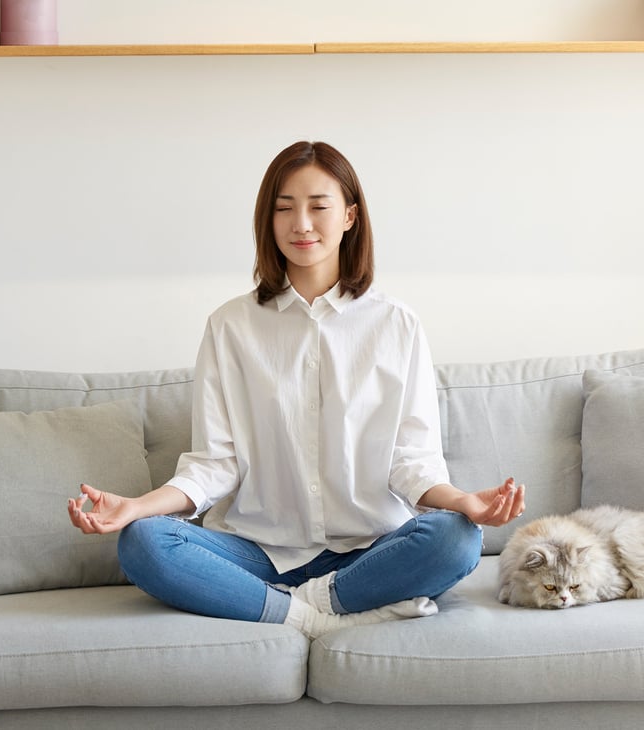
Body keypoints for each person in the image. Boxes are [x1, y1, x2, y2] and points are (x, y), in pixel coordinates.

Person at [67, 140, 526, 638]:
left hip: (369, 551)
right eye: (284, 208)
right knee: (143, 543)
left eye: (318, 207)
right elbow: (215, 463)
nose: (301, 224)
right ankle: (316, 616)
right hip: (257, 552)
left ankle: (291, 606)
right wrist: (136, 506)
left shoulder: (398, 325)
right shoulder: (230, 326)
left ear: (350, 216)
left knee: (457, 539)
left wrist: (464, 503)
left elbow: (410, 460)